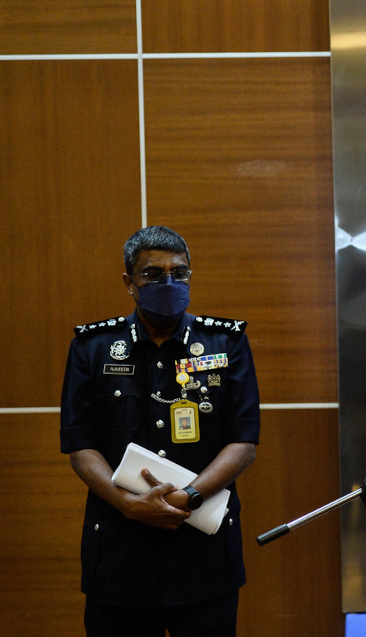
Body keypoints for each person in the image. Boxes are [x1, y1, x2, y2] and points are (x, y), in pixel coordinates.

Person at [60, 226, 260, 637]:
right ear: (129, 282)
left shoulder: (226, 342)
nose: (168, 283)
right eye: (153, 274)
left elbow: (243, 442)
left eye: (179, 273)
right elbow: (80, 445)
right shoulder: (93, 347)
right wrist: (128, 504)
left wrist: (190, 496)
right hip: (119, 551)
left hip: (203, 553)